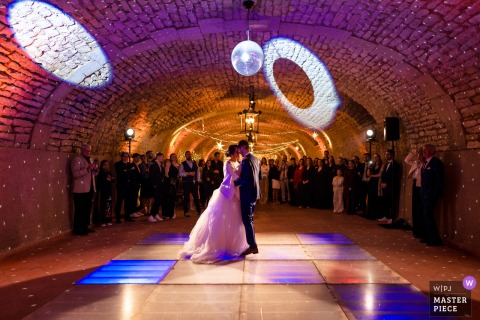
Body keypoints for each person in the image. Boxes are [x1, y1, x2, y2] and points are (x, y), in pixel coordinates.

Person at [179, 145, 249, 263]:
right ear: (232, 153)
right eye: (237, 152)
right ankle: (216, 245)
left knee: (234, 220)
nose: (238, 154)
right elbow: (231, 178)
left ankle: (231, 244)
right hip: (226, 193)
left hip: (235, 195)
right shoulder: (227, 164)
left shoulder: (239, 163)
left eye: (238, 152)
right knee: (220, 219)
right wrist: (243, 180)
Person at [234, 139, 261, 256]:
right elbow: (259, 177)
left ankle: (252, 246)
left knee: (247, 220)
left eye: (239, 149)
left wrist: (233, 183)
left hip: (247, 194)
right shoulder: (257, 159)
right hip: (255, 193)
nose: (239, 151)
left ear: (244, 147)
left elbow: (244, 179)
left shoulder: (245, 161)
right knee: (250, 219)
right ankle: (252, 243)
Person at [71, 144, 98, 235]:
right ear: (81, 150)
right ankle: (78, 229)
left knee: (87, 209)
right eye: (87, 151)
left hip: (90, 188)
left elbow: (93, 174)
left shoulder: (90, 159)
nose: (88, 152)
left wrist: (95, 169)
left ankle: (85, 226)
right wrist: (87, 169)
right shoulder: (77, 159)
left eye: (89, 151)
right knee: (80, 209)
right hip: (80, 189)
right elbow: (75, 173)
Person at [421, 143, 444, 246]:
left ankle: (435, 239)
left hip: (431, 194)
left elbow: (439, 179)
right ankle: (428, 236)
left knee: (428, 214)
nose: (423, 152)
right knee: (425, 215)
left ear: (431, 151)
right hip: (425, 193)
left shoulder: (436, 163)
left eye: (425, 150)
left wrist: (434, 192)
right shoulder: (426, 163)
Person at [405, 149, 426, 239]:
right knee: (415, 207)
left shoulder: (424, 164)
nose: (418, 157)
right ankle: (416, 230)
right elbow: (406, 160)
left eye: (420, 155)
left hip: (421, 186)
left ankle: (421, 231)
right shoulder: (415, 163)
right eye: (418, 155)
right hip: (415, 185)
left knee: (420, 208)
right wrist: (412, 152)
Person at [179, 150, 201, 217]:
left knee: (196, 197)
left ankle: (199, 211)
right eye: (187, 154)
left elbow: (198, 171)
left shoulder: (195, 162)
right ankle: (186, 212)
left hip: (194, 182)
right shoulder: (183, 164)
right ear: (185, 156)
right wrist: (188, 173)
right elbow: (180, 173)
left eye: (190, 154)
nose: (189, 155)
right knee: (186, 198)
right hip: (186, 183)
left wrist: (198, 179)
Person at [96, 160, 113, 226]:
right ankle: (102, 220)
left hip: (109, 191)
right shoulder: (100, 173)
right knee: (103, 205)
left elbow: (112, 180)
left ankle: (108, 220)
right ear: (102, 165)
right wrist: (107, 180)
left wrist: (110, 179)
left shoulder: (109, 173)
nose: (107, 166)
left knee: (108, 206)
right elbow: (100, 183)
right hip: (103, 191)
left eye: (108, 164)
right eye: (105, 164)